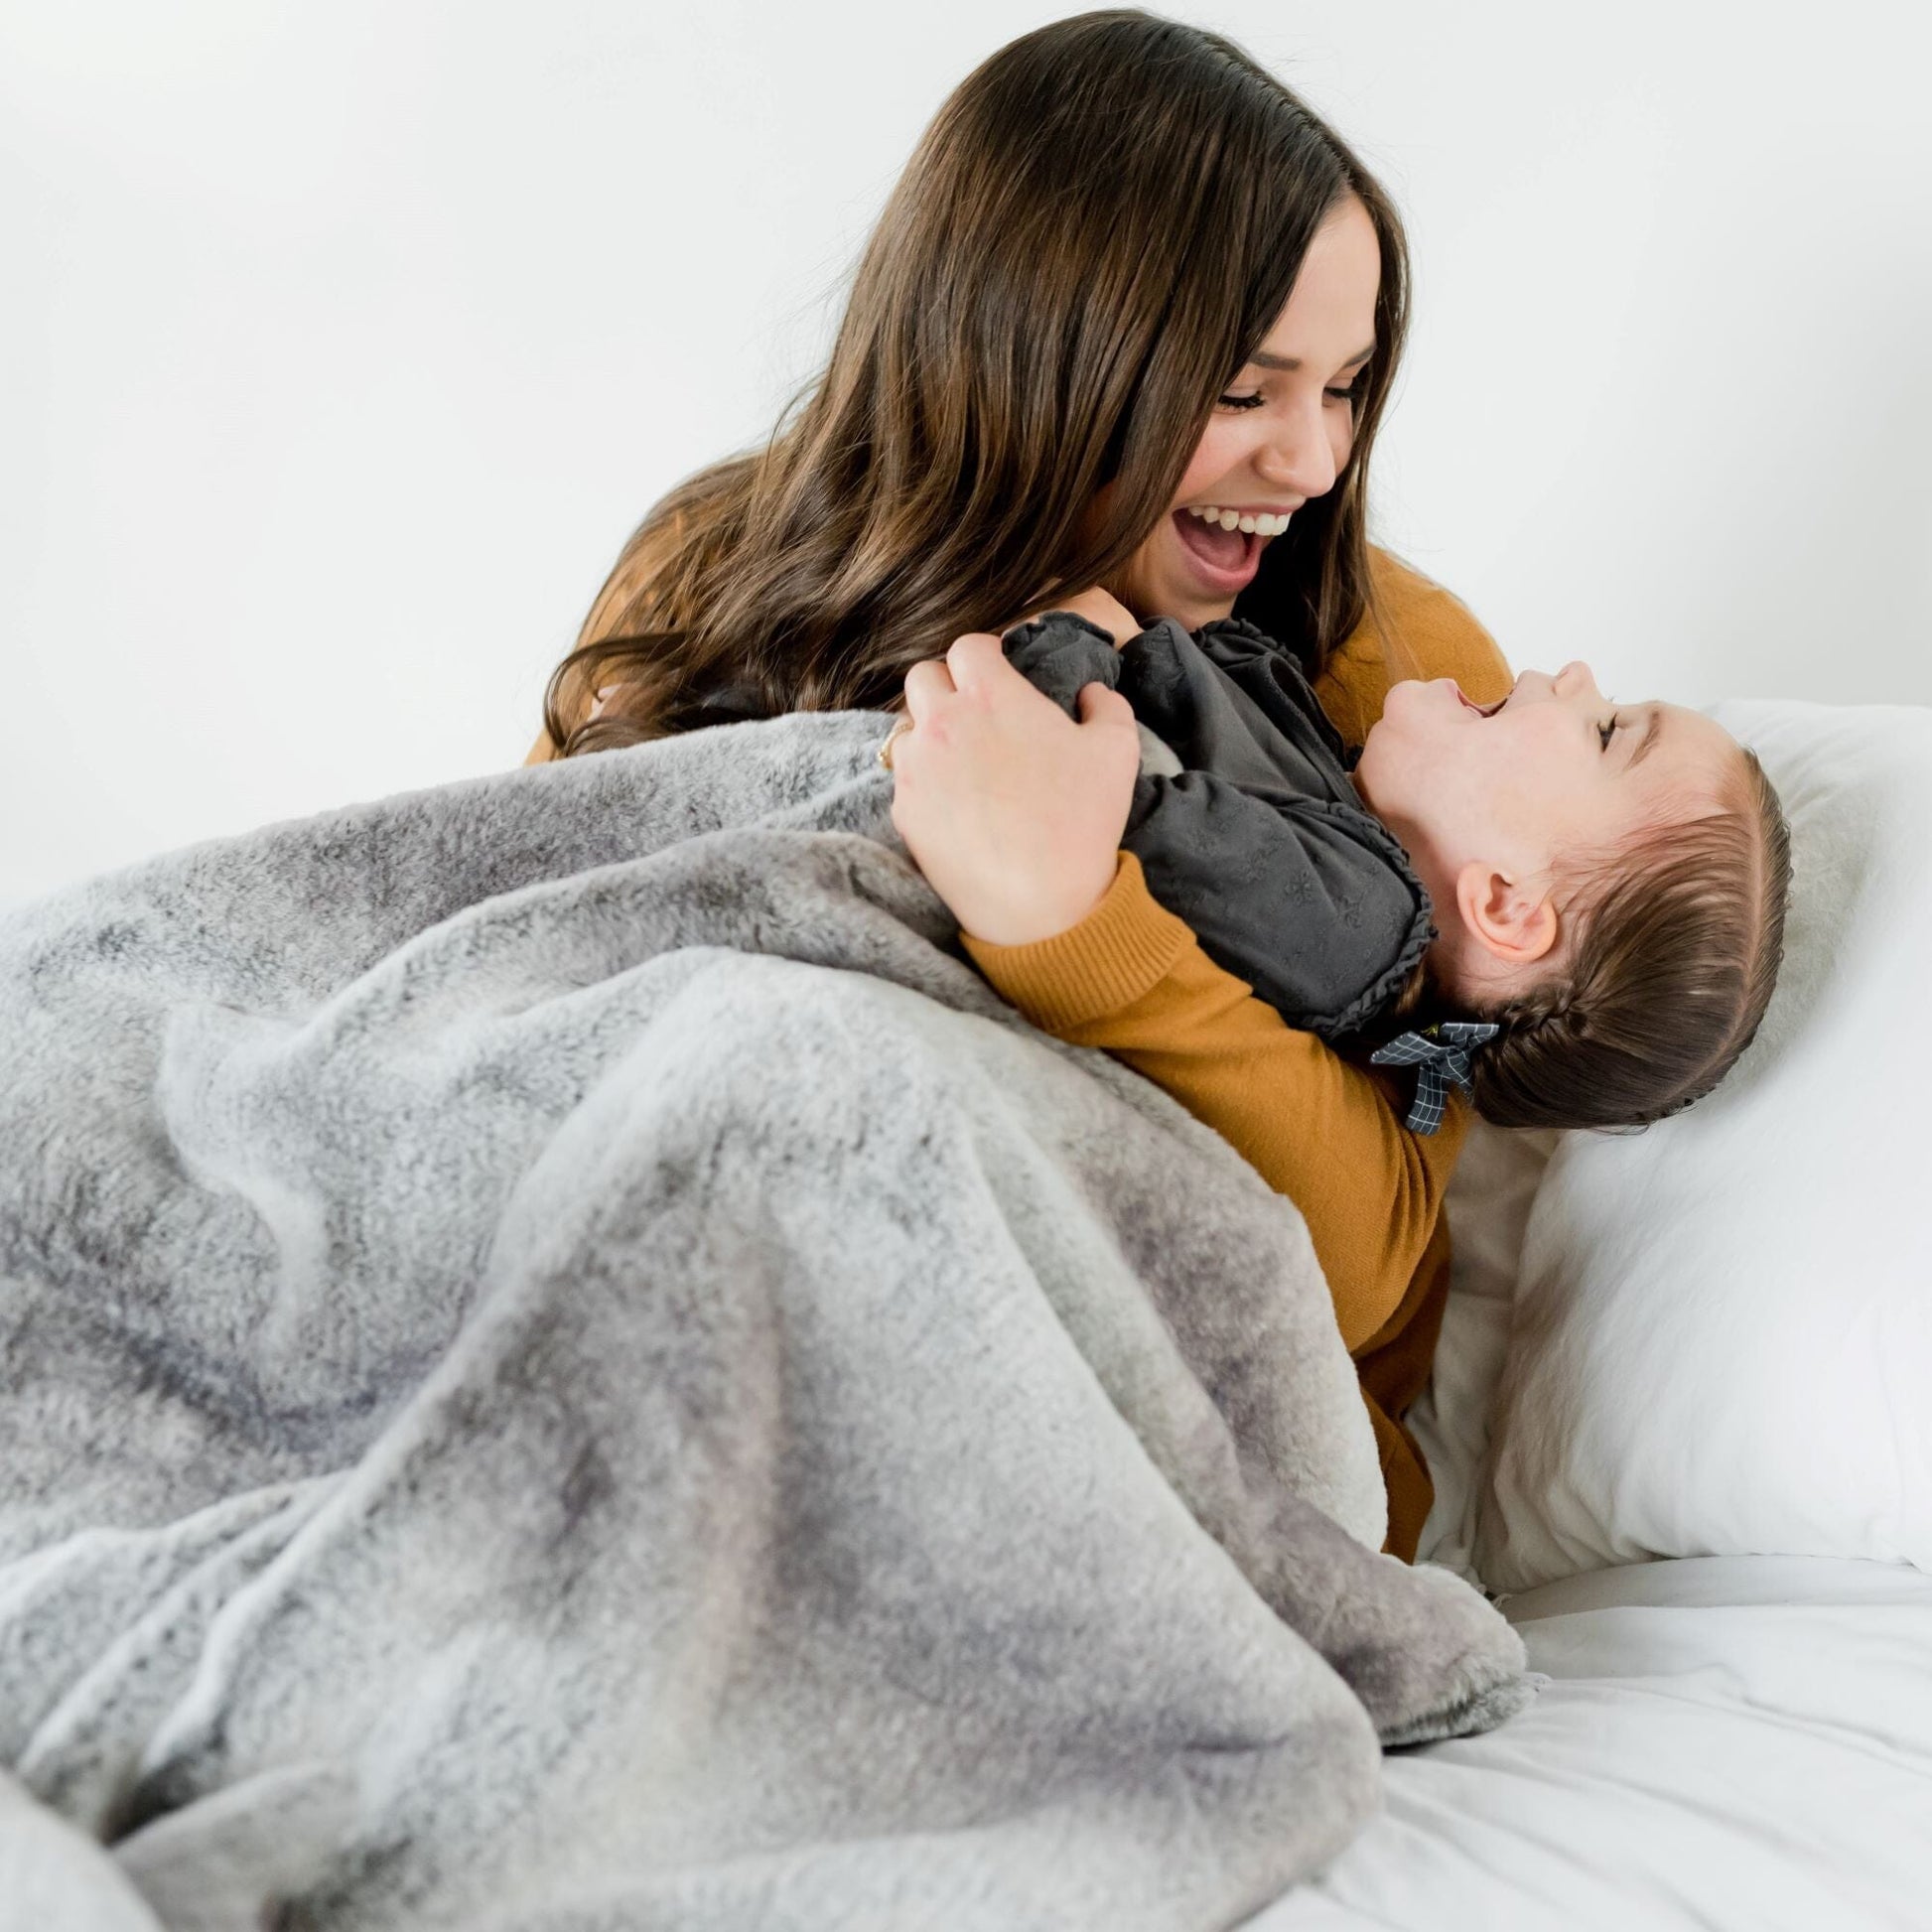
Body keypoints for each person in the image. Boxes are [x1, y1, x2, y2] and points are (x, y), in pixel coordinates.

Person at [525, 11, 1558, 1557]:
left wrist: (1071, 919)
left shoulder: (1382, 670)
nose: (1313, 461)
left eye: (1345, 388)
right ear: (1031, 351)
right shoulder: (725, 565)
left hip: (1165, 1474)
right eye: (1244, 388)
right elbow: (541, 984)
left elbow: (1372, 1262)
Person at [897, 594, 1790, 1137]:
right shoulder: (1352, 834)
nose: (1582, 675)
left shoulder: (1349, 930)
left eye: (1606, 731)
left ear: (1508, 906)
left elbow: (1082, 808)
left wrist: (1075, 639)